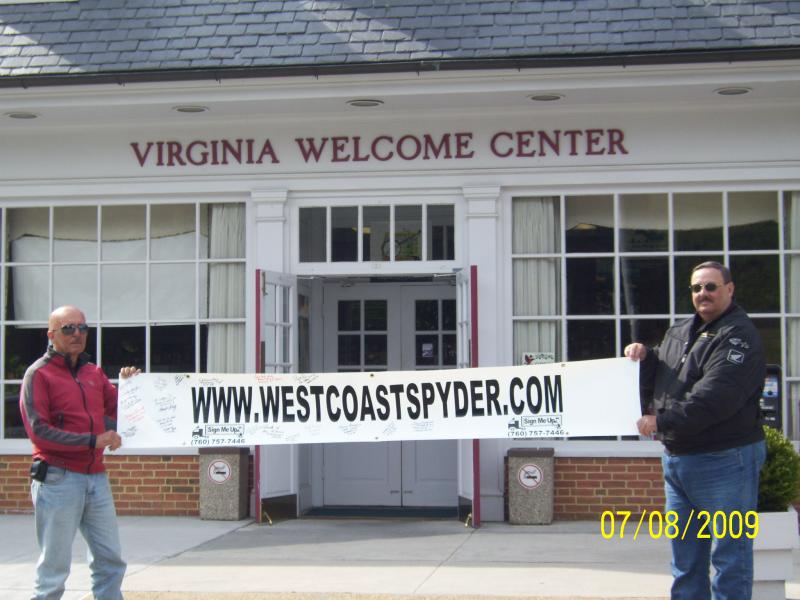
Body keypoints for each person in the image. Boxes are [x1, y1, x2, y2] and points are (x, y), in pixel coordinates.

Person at [624, 261, 766, 600]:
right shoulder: (680, 330)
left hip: (725, 461)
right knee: (685, 559)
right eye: (696, 288)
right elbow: (663, 372)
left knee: (729, 558)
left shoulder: (739, 336)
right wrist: (644, 358)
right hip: (678, 461)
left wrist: (662, 421)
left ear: (729, 289)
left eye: (711, 286)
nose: (703, 293)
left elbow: (716, 396)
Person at [19, 305, 140, 600]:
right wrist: (93, 441)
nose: (77, 334)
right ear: (51, 335)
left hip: (96, 479)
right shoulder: (38, 375)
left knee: (110, 562)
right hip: (58, 479)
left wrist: (133, 387)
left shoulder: (93, 373)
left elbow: (123, 411)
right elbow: (40, 432)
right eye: (68, 328)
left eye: (82, 328)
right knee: (54, 571)